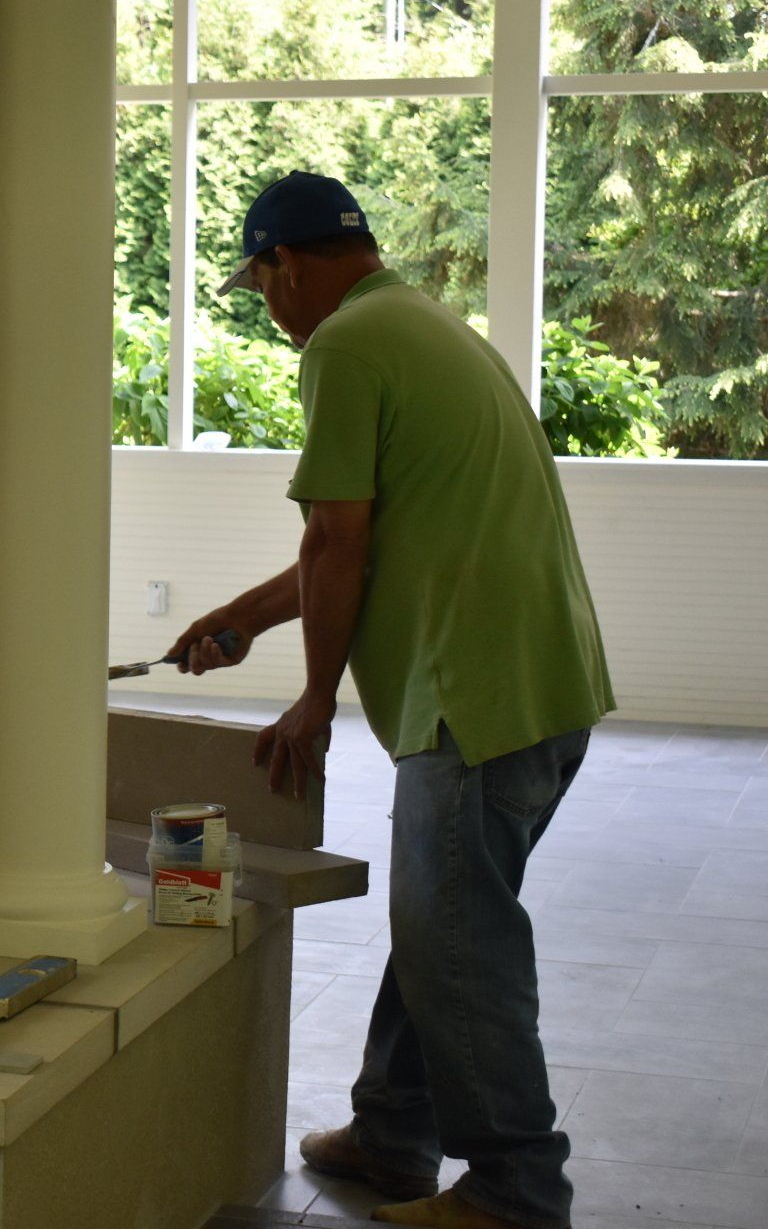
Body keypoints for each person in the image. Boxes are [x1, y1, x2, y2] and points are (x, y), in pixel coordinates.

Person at [171, 172, 613, 1229]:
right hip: (542, 682)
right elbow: (361, 537)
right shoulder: (419, 323)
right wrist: (248, 613)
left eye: (261, 281)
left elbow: (340, 539)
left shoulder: (345, 346)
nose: (269, 310)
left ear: (289, 262)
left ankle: (516, 1188)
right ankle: (393, 1127)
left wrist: (315, 700)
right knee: (443, 919)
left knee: (460, 938)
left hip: (477, 694)